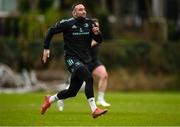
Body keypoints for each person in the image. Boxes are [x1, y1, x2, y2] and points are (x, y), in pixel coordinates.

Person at [41, 3, 107, 118]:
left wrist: (97, 33)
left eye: (84, 9)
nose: (83, 11)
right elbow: (51, 31)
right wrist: (46, 48)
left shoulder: (90, 23)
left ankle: (50, 99)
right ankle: (94, 109)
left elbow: (99, 40)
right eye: (80, 9)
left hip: (83, 60)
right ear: (74, 13)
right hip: (71, 59)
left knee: (71, 92)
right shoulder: (67, 23)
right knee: (89, 78)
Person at [57, 19, 110, 112]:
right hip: (82, 62)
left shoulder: (97, 35)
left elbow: (99, 40)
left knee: (104, 75)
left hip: (94, 62)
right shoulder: (84, 35)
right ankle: (60, 98)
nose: (96, 28)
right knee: (73, 89)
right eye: (94, 26)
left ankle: (100, 99)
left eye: (97, 26)